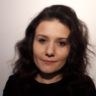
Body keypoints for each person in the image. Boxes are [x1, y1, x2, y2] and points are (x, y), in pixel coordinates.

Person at [3, 5, 96, 96]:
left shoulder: (84, 87)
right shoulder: (14, 84)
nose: (50, 52)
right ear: (31, 43)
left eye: (62, 43)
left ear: (73, 48)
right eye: (42, 40)